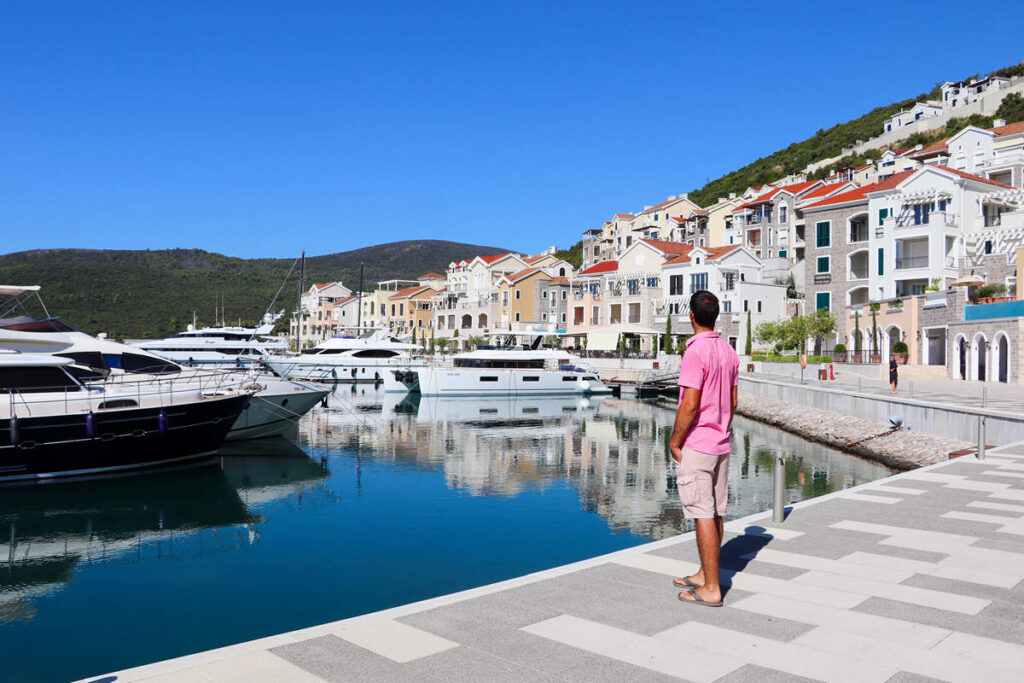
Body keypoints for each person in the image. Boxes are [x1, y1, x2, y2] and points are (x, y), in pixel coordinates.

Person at [669, 290, 739, 607]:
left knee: (702, 514)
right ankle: (705, 574)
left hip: (698, 443)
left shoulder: (695, 353)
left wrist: (674, 441)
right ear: (716, 316)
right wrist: (722, 427)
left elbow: (690, 404)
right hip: (721, 442)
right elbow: (734, 401)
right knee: (715, 511)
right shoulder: (728, 351)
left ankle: (712, 588)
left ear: (692, 316)